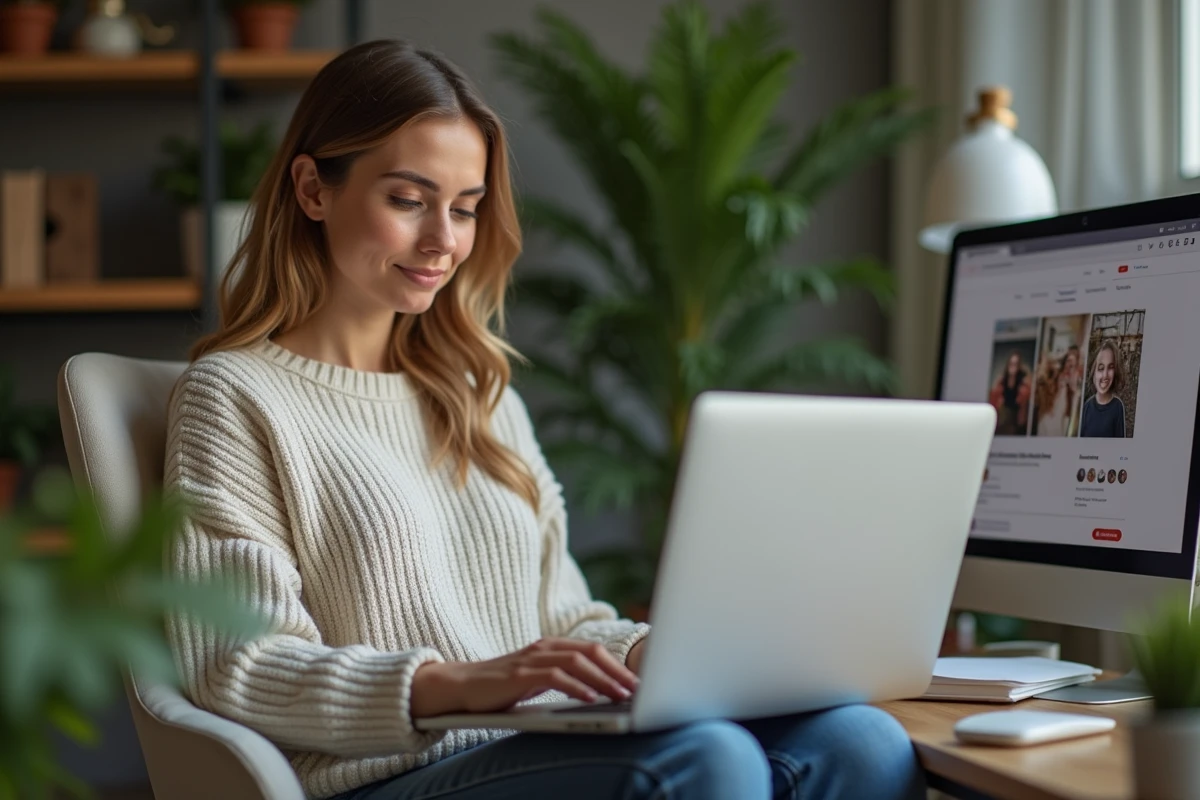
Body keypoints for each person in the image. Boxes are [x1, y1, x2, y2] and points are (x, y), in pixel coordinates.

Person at [163, 40, 924, 800]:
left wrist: (656, 655)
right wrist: (459, 684)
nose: (444, 241)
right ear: (312, 188)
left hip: (534, 748)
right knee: (704, 761)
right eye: (407, 200)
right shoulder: (234, 397)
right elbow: (239, 663)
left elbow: (562, 619)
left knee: (860, 740)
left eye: (464, 209)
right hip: (385, 778)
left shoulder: (477, 392)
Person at [1080, 340, 1128, 438]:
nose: (1105, 375)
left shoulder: (1118, 407)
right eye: (1101, 368)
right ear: (1093, 372)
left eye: (1110, 367)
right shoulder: (1087, 406)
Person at [1035, 345, 1081, 437]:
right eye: (1068, 361)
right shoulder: (1051, 383)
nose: (1069, 366)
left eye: (1073, 365)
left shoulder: (1072, 393)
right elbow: (1040, 378)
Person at [989, 351, 1031, 435]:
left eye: (1015, 364)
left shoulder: (1024, 381)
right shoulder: (1001, 380)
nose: (1013, 366)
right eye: (1011, 363)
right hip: (1003, 416)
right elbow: (994, 398)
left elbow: (1025, 401)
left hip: (1017, 417)